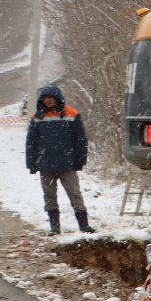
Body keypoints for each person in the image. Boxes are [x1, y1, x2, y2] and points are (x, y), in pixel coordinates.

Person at [25, 84, 93, 236]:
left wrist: (80, 160)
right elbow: (31, 142)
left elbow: (80, 140)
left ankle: (84, 225)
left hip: (67, 165)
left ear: (57, 98)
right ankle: (54, 228)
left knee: (75, 194)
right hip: (45, 166)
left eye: (51, 98)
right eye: (45, 98)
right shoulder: (37, 118)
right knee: (49, 196)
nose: (48, 101)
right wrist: (31, 163)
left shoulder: (72, 114)